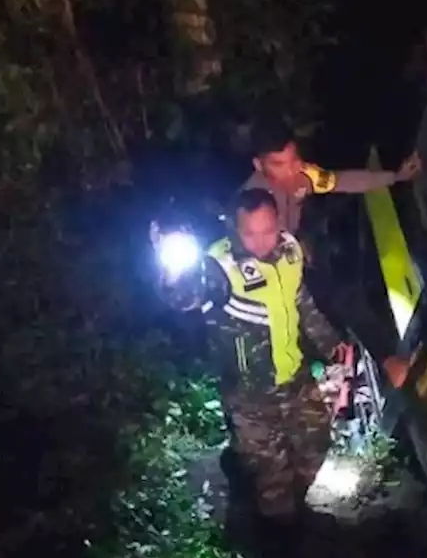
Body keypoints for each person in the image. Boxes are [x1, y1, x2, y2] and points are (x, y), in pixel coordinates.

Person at [152, 188, 410, 526]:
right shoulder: (218, 267)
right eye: (249, 232)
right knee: (271, 478)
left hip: (296, 380)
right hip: (250, 396)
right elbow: (184, 297)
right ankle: (279, 538)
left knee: (316, 446)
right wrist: (171, 272)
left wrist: (331, 344)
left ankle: (298, 508)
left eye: (267, 230)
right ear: (234, 228)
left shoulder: (290, 251)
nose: (260, 241)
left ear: (278, 223)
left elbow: (302, 303)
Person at [241, 122, 422, 237]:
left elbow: (345, 181)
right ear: (259, 165)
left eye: (294, 160)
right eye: (279, 165)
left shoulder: (306, 174)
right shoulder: (247, 203)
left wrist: (396, 176)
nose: (291, 171)